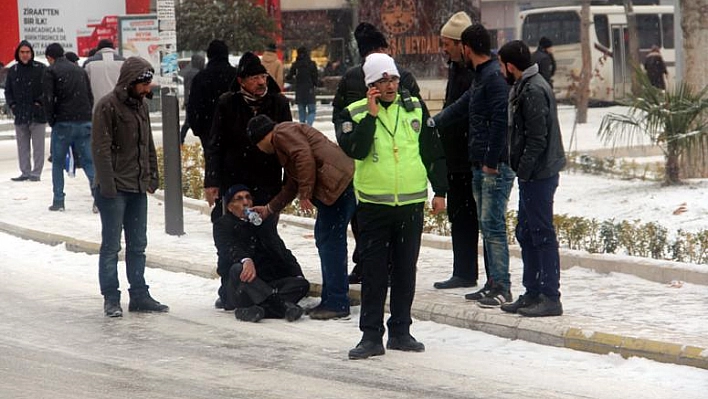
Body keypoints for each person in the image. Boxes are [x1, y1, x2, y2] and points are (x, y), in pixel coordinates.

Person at [336, 53, 448, 360]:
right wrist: (371, 117)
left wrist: (440, 189)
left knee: (404, 271)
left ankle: (401, 331)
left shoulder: (412, 107)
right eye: (382, 81)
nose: (390, 86)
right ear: (370, 85)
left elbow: (431, 148)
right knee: (374, 274)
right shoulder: (354, 113)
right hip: (373, 205)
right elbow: (356, 149)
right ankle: (371, 336)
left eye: (393, 79)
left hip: (410, 203)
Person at [429, 24, 514, 308]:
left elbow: (501, 121)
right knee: (486, 225)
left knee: (492, 226)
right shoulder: (481, 76)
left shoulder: (493, 77)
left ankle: (501, 286)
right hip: (478, 163)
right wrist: (431, 123)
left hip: (493, 165)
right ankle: (492, 283)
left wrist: (490, 160)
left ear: (466, 47)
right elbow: (461, 106)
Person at [332, 21, 421, 285]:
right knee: (391, 217)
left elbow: (340, 116)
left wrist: (349, 141)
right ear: (383, 48)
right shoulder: (400, 74)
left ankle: (367, 263)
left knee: (364, 216)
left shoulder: (350, 76)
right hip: (393, 159)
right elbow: (417, 111)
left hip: (362, 159)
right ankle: (390, 263)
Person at [205, 51, 292, 309]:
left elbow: (287, 143)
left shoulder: (278, 103)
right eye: (254, 77)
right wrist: (212, 180)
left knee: (265, 234)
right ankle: (230, 288)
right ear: (241, 80)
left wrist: (289, 182)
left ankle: (262, 286)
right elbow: (215, 144)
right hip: (235, 182)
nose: (260, 82)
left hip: (267, 181)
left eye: (263, 76)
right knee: (232, 236)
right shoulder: (227, 103)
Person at [247, 115, 356, 320]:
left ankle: (337, 302)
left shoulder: (281, 133)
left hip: (337, 188)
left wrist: (306, 193)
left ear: (260, 138)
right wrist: (270, 209)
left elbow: (304, 156)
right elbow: (291, 184)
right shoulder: (286, 140)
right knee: (327, 240)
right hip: (338, 186)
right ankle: (333, 297)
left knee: (330, 242)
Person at [91, 56, 169, 317]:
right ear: (131, 82)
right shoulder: (107, 107)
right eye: (145, 83)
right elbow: (100, 149)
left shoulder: (141, 107)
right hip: (113, 189)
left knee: (137, 245)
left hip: (137, 187)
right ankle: (111, 297)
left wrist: (152, 175)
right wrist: (108, 185)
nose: (149, 89)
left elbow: (146, 145)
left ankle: (139, 295)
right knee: (112, 246)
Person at [497, 40, 566, 317]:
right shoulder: (525, 85)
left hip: (539, 174)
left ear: (510, 66)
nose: (500, 69)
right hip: (533, 173)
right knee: (525, 232)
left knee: (541, 234)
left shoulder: (534, 89)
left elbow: (538, 139)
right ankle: (533, 291)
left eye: (502, 65)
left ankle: (550, 296)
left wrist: (523, 171)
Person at [432, 11, 482, 290]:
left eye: (447, 44)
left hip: (468, 156)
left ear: (461, 44)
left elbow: (462, 110)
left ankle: (468, 272)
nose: (444, 49)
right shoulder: (456, 68)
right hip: (455, 155)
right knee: (459, 216)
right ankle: (463, 270)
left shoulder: (474, 72)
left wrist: (437, 122)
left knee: (468, 216)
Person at [214, 184, 309, 322]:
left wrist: (297, 274)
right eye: (239, 199)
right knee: (238, 269)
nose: (245, 202)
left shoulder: (261, 223)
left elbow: (281, 250)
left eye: (247, 198)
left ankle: (258, 310)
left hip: (265, 283)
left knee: (301, 284)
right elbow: (228, 248)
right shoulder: (223, 225)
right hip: (241, 285)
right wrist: (245, 260)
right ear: (230, 206)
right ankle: (281, 306)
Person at [43, 42, 96, 212]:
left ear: (50, 58)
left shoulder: (51, 71)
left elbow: (48, 99)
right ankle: (99, 198)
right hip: (84, 120)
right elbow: (90, 96)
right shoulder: (79, 70)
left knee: (58, 162)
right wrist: (87, 115)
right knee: (89, 161)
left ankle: (58, 200)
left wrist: (52, 120)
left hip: (63, 122)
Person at [4, 40, 47, 182]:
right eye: (22, 52)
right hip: (20, 114)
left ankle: (36, 173)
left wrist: (39, 103)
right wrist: (13, 105)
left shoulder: (40, 68)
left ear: (32, 53)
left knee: (38, 146)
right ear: (18, 53)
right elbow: (8, 91)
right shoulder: (13, 70)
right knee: (22, 146)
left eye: (27, 52)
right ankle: (25, 171)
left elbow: (47, 90)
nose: (25, 55)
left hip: (37, 114)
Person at [187, 40, 238, 149]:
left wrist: (198, 129)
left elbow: (193, 106)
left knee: (213, 163)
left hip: (208, 131)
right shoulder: (236, 75)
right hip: (234, 130)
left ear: (209, 56)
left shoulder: (201, 78)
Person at [84, 39, 125, 109]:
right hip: (119, 106)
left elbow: (84, 85)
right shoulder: (124, 62)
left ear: (98, 48)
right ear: (113, 48)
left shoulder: (89, 63)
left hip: (97, 106)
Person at [286, 46, 319, 126]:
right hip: (309, 89)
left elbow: (289, 77)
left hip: (299, 90)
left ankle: (303, 127)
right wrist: (315, 84)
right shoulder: (311, 64)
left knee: (301, 111)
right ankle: (309, 126)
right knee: (312, 111)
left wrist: (294, 80)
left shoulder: (295, 65)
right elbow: (315, 77)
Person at [178, 53, 205, 143]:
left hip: (189, 101)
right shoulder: (197, 74)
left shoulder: (189, 73)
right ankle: (181, 139)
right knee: (190, 122)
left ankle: (181, 139)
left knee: (188, 122)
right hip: (194, 101)